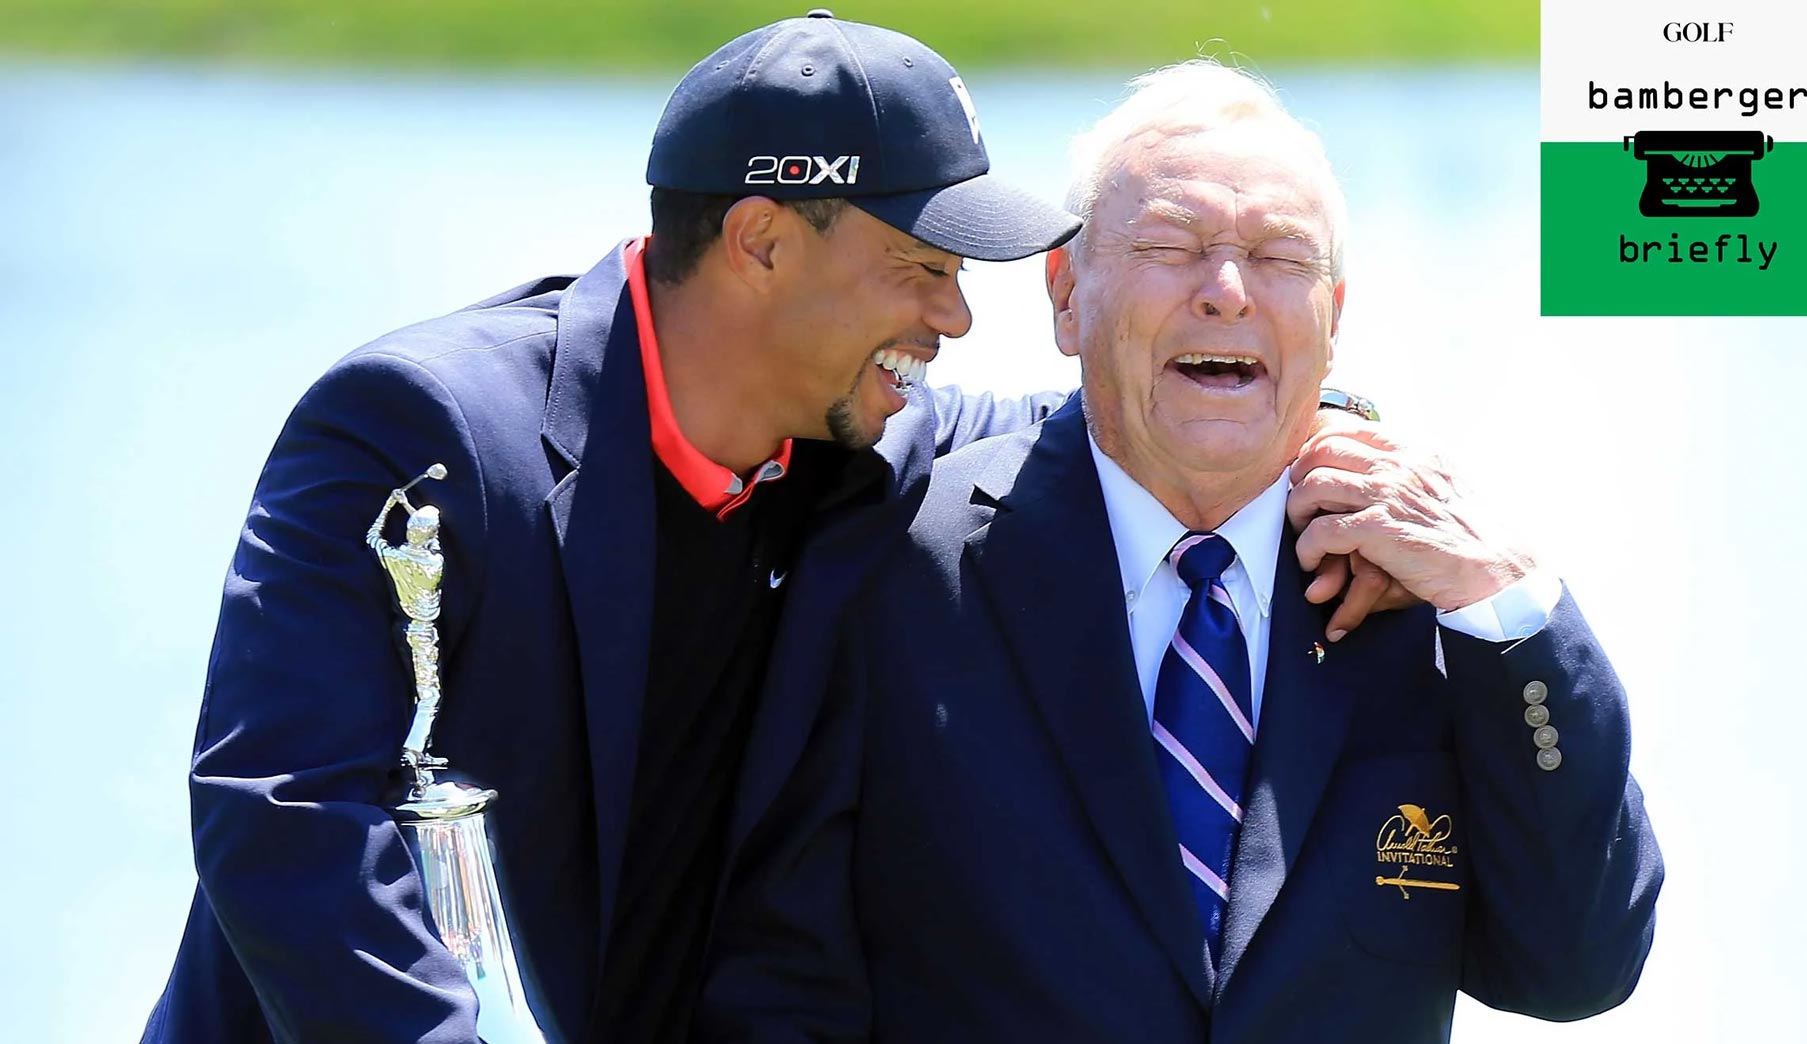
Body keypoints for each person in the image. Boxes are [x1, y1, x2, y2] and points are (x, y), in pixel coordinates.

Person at [137, 12, 1090, 1043]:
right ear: (761, 242)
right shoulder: (418, 429)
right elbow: (284, 809)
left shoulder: (874, 446)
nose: (954, 319)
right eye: (922, 267)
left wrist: (1243, 369)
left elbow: (1114, 434)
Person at [699, 61, 1663, 1043]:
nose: (1228, 292)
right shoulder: (890, 566)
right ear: (1066, 295)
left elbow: (1574, 967)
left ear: (1332, 319)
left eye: (1279, 257)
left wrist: (1504, 598)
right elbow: (779, 983)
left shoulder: (1435, 601)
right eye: (1170, 245)